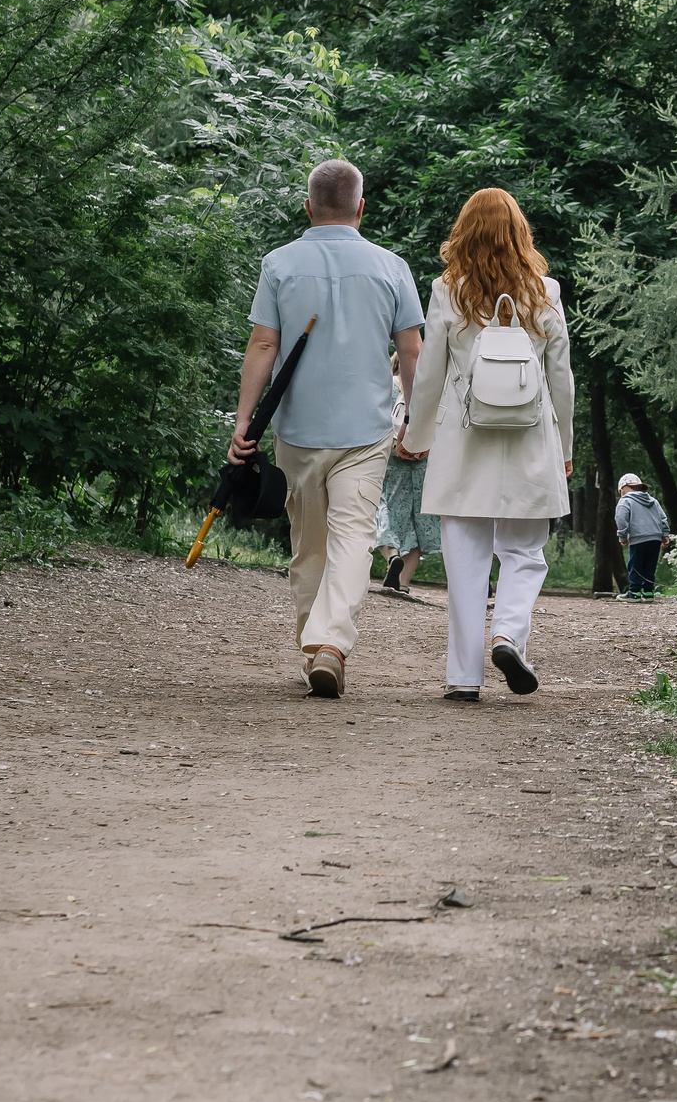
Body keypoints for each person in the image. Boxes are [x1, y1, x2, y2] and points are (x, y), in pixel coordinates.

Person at [234, 159, 424, 699]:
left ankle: (316, 646)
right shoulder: (392, 267)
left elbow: (263, 345)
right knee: (354, 539)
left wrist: (244, 421)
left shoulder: (279, 264)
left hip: (297, 430)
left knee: (310, 542)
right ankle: (330, 645)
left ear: (308, 206)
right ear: (361, 208)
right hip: (365, 431)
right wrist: (413, 417)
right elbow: (411, 348)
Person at [402, 188, 576, 701]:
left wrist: (416, 436)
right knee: (524, 552)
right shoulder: (544, 292)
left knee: (465, 560)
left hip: (464, 439)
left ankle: (463, 678)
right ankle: (508, 635)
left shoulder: (446, 291)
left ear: (464, 233)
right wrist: (564, 445)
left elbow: (431, 372)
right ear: (520, 234)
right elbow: (560, 378)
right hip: (529, 438)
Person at [374, 355, 440, 598]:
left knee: (382, 508)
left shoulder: (387, 384)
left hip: (391, 458)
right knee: (417, 521)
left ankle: (392, 557)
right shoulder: (431, 390)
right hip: (423, 459)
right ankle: (401, 583)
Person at [613, 473, 671, 599]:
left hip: (638, 537)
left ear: (622, 489)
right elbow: (662, 518)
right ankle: (648, 591)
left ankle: (634, 592)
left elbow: (621, 519)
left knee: (635, 565)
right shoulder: (653, 501)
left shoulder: (625, 501)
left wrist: (622, 537)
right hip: (655, 537)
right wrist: (665, 534)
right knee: (650, 564)